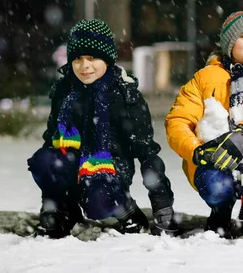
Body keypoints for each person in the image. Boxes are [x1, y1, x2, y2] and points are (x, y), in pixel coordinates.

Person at [28, 19, 178, 238]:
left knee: (98, 199)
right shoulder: (65, 90)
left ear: (107, 59)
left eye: (92, 57)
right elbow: (51, 140)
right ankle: (64, 211)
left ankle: (126, 211)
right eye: (78, 58)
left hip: (110, 170)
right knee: (44, 159)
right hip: (74, 164)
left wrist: (163, 208)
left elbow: (148, 155)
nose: (84, 65)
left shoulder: (124, 95)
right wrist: (49, 203)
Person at [165, 11, 243, 237]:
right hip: (215, 156)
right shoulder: (204, 78)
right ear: (229, 43)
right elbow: (178, 121)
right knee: (218, 188)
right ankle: (221, 211)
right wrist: (196, 151)